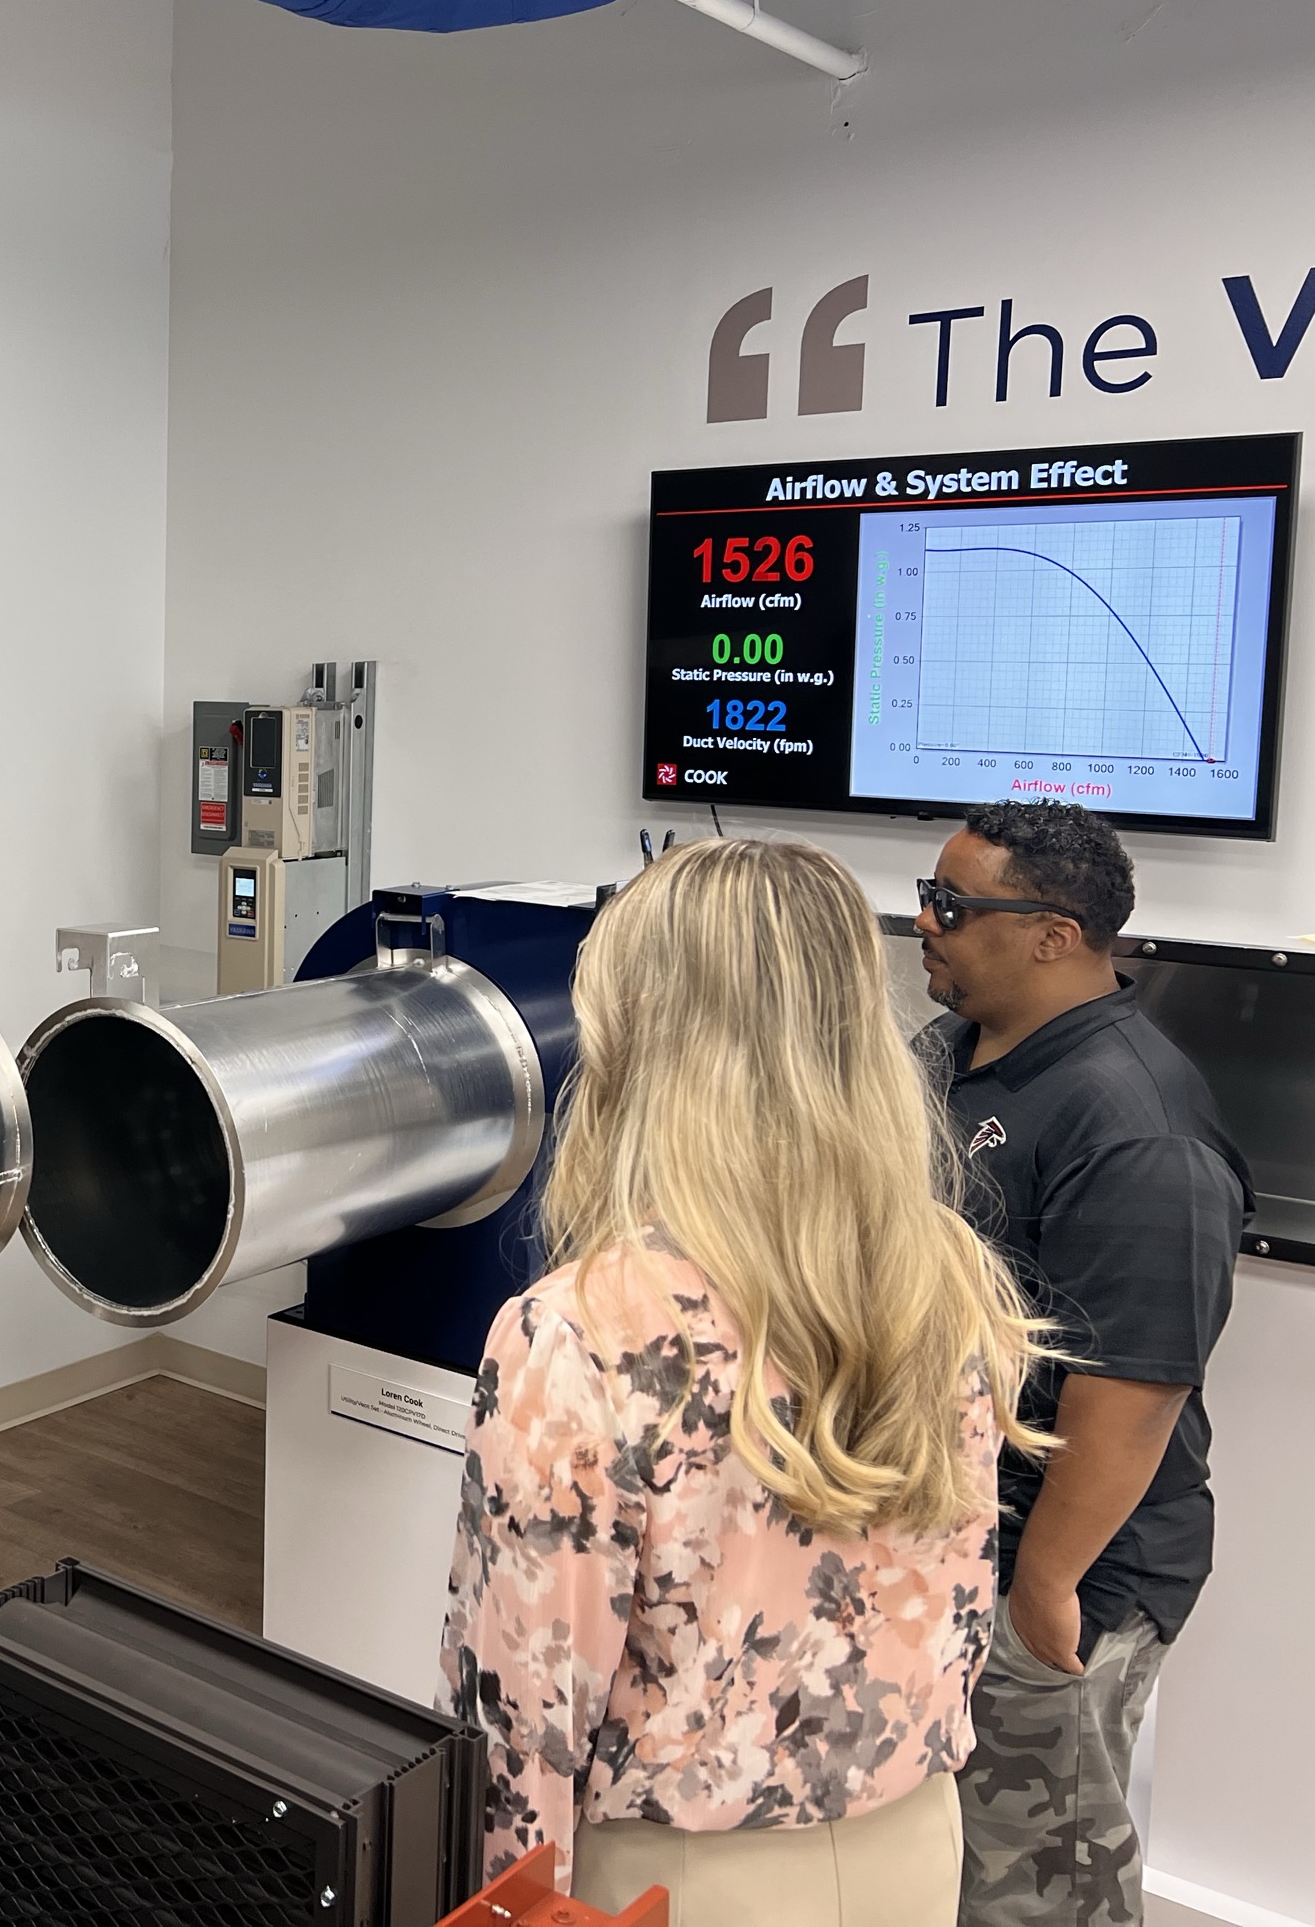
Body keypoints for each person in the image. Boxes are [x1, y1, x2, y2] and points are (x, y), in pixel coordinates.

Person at [440, 837, 1052, 1927]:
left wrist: (496, 1907)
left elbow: (519, 1721)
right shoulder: (950, 1273)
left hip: (679, 1879)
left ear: (640, 1039)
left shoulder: (579, 1333)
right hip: (911, 1846)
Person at [915, 801, 1250, 1927]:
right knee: (948, 1863)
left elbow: (1134, 1393)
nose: (926, 922)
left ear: (1054, 934)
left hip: (1064, 1569)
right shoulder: (953, 1052)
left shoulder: (1137, 1127)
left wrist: (1043, 1592)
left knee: (1034, 1882)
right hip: (955, 1535)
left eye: (954, 907)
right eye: (929, 896)